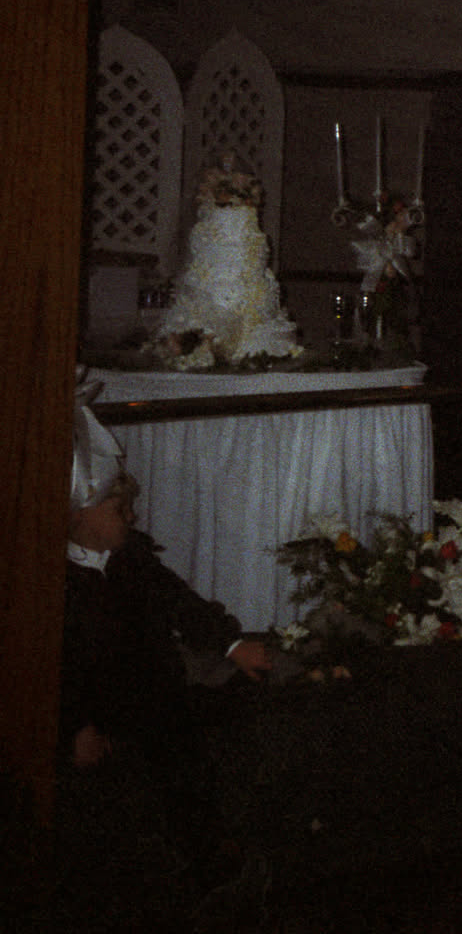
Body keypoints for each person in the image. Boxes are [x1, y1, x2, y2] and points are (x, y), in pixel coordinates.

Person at [61, 382, 271, 892]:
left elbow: (181, 602)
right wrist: (76, 726)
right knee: (123, 793)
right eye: (120, 512)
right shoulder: (58, 584)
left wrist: (231, 644)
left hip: (155, 688)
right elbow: (61, 662)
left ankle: (209, 853)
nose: (132, 519)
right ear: (80, 518)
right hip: (99, 702)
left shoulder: (131, 558)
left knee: (191, 758)